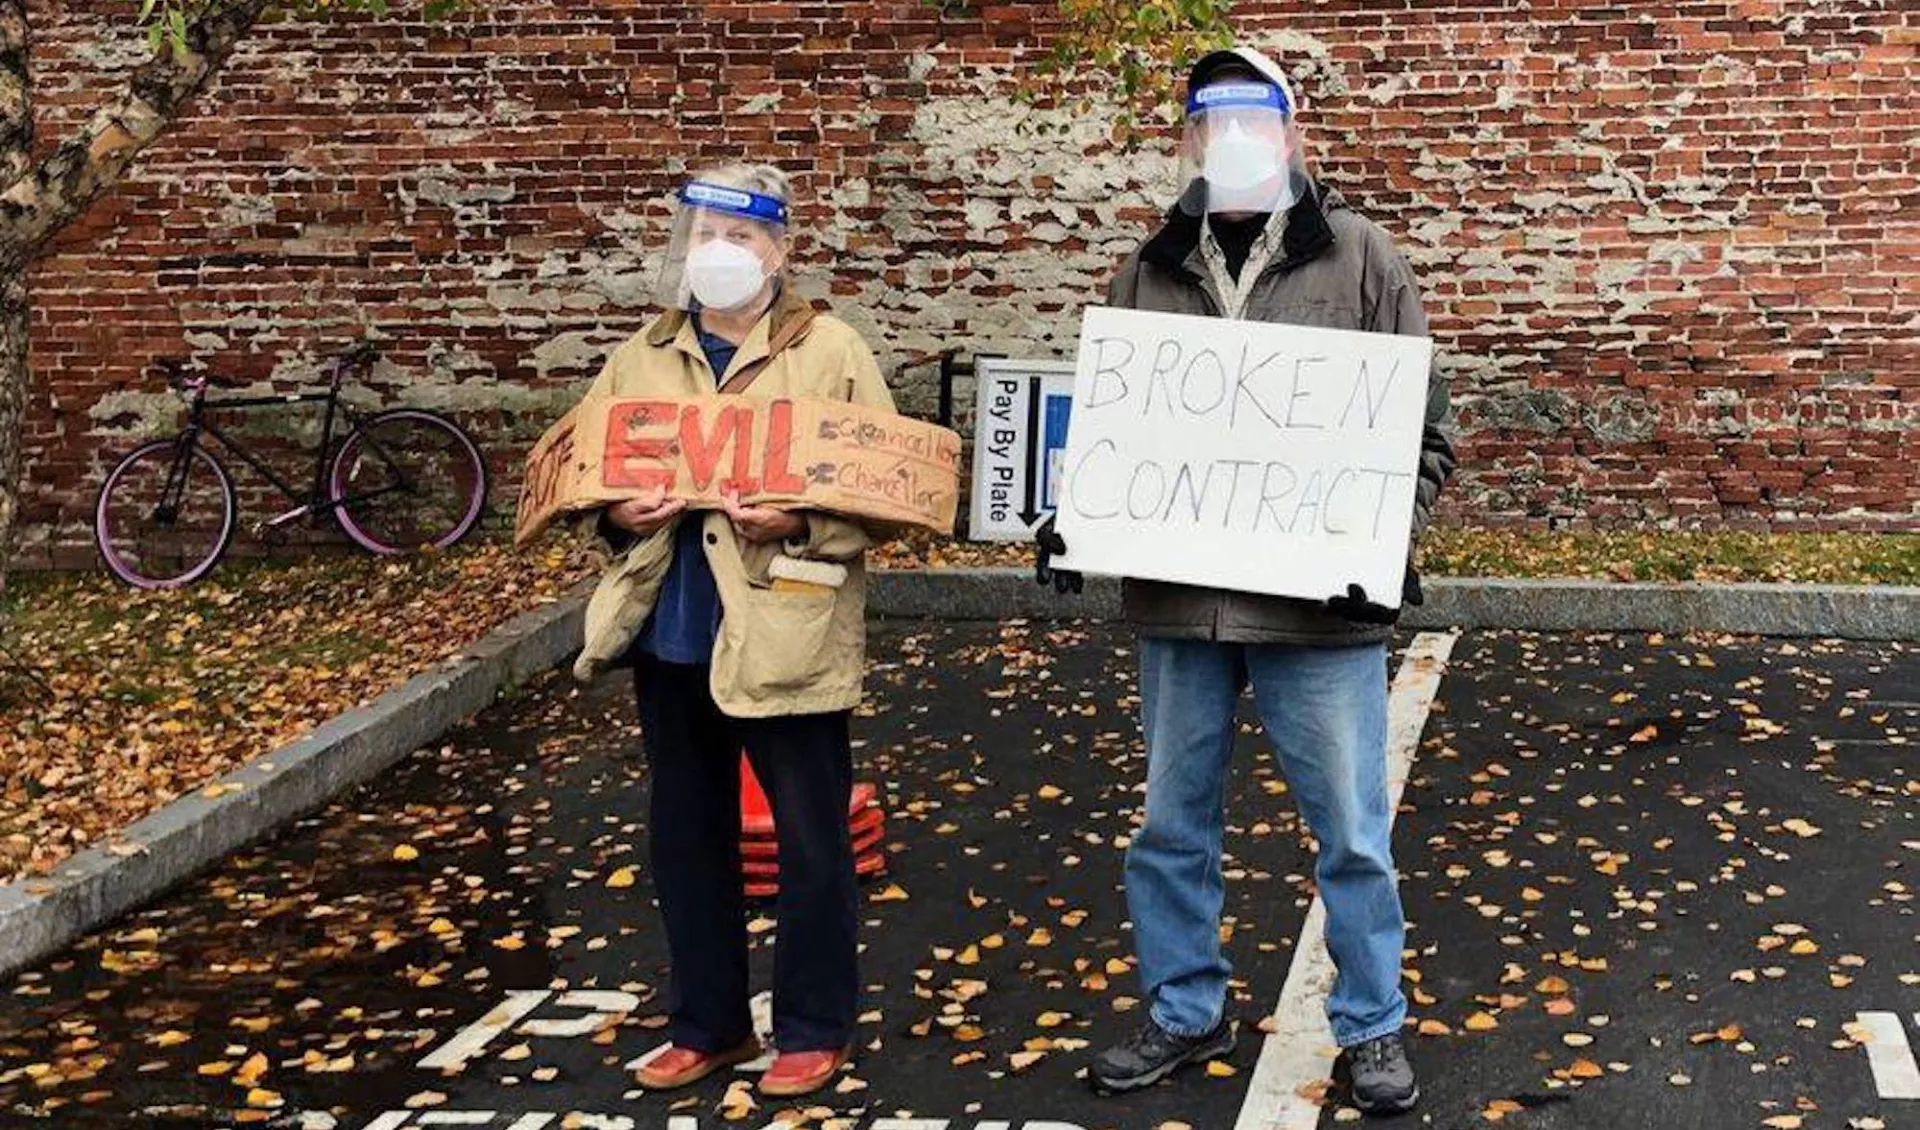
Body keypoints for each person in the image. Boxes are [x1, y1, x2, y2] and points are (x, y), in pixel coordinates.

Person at [1035, 48, 1455, 1115]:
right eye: (1210, 116)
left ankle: (1371, 1025)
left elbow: (1424, 435)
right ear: (1185, 135)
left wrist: (1380, 539)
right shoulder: (1150, 266)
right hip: (1180, 607)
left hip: (1320, 613)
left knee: (1352, 832)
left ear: (1292, 130)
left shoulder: (1361, 257)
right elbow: (1117, 431)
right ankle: (1185, 1007)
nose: (1231, 135)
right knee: (1172, 823)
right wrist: (1074, 518)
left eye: (1252, 115)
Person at [569, 163, 893, 1099]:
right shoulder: (644, 352)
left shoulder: (829, 350)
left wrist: (800, 521)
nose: (721, 253)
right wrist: (616, 517)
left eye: (742, 236)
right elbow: (591, 466)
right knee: (686, 838)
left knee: (809, 839)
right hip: (672, 630)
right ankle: (707, 1023)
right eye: (705, 234)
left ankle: (812, 1026)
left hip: (783, 628)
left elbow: (885, 490)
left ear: (779, 249)